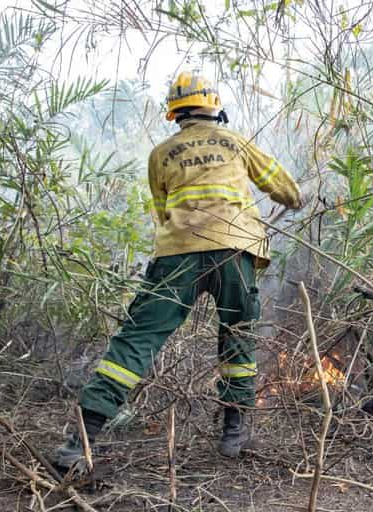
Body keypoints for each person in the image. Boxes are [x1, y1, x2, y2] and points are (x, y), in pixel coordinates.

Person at [53, 71, 302, 468]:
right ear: (214, 108)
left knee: (137, 341)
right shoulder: (236, 143)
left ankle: (79, 441)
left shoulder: (160, 153)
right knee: (237, 337)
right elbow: (290, 192)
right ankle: (234, 434)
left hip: (177, 255)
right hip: (235, 252)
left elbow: (162, 213)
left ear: (175, 114)